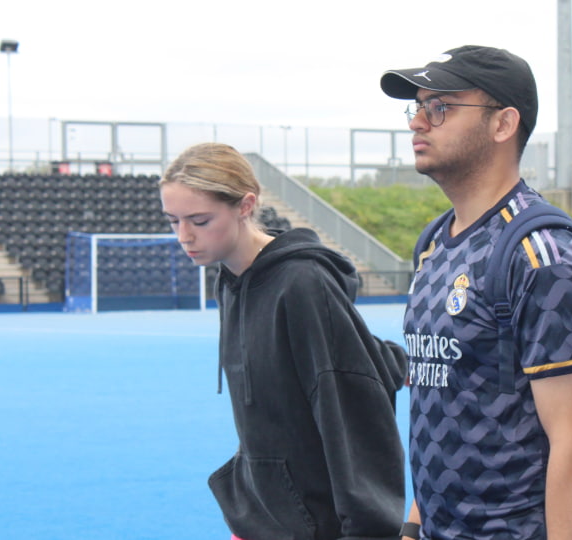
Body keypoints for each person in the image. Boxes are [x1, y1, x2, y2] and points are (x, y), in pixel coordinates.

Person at [380, 46, 572, 540]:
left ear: (503, 124)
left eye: (440, 106)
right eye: (416, 106)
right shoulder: (434, 244)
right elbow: (445, 403)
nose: (418, 121)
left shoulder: (543, 257)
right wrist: (415, 524)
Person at [158, 142, 408, 540]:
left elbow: (353, 409)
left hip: (315, 524)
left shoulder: (302, 283)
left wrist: (368, 530)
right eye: (173, 221)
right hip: (260, 517)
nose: (184, 236)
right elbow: (341, 354)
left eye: (200, 220)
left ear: (245, 205)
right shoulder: (231, 279)